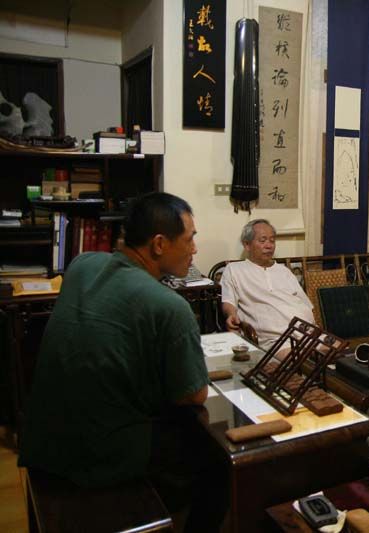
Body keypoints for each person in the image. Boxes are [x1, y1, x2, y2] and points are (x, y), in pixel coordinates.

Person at [19, 192, 227, 532]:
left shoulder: (82, 264)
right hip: (97, 455)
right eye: (190, 239)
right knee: (218, 464)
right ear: (159, 244)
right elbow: (192, 395)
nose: (194, 249)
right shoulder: (170, 306)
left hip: (44, 438)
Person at [220, 219, 315, 348]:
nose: (269, 245)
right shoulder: (234, 270)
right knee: (300, 359)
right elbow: (228, 300)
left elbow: (306, 304)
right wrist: (231, 315)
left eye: (272, 240)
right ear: (247, 244)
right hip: (276, 340)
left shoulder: (284, 271)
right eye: (262, 240)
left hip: (309, 333)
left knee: (340, 353)